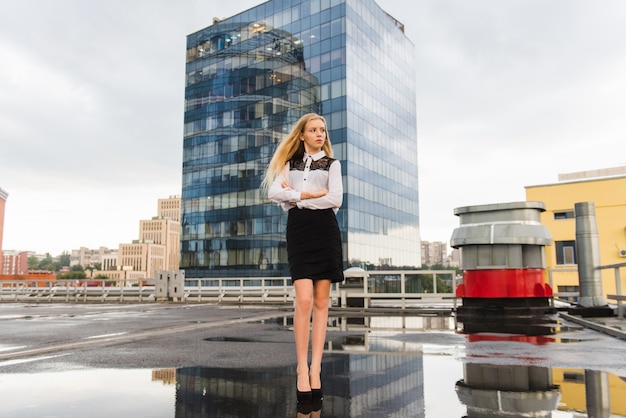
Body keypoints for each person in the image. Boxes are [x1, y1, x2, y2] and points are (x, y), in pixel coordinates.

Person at [261, 113, 344, 403]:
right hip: (299, 232)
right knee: (304, 300)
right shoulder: (289, 165)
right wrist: (307, 195)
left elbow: (335, 199)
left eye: (322, 129)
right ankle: (300, 368)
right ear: (302, 135)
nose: (320, 133)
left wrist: (294, 198)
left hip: (325, 231)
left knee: (322, 302)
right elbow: (273, 192)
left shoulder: (333, 165)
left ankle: (316, 369)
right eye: (314, 130)